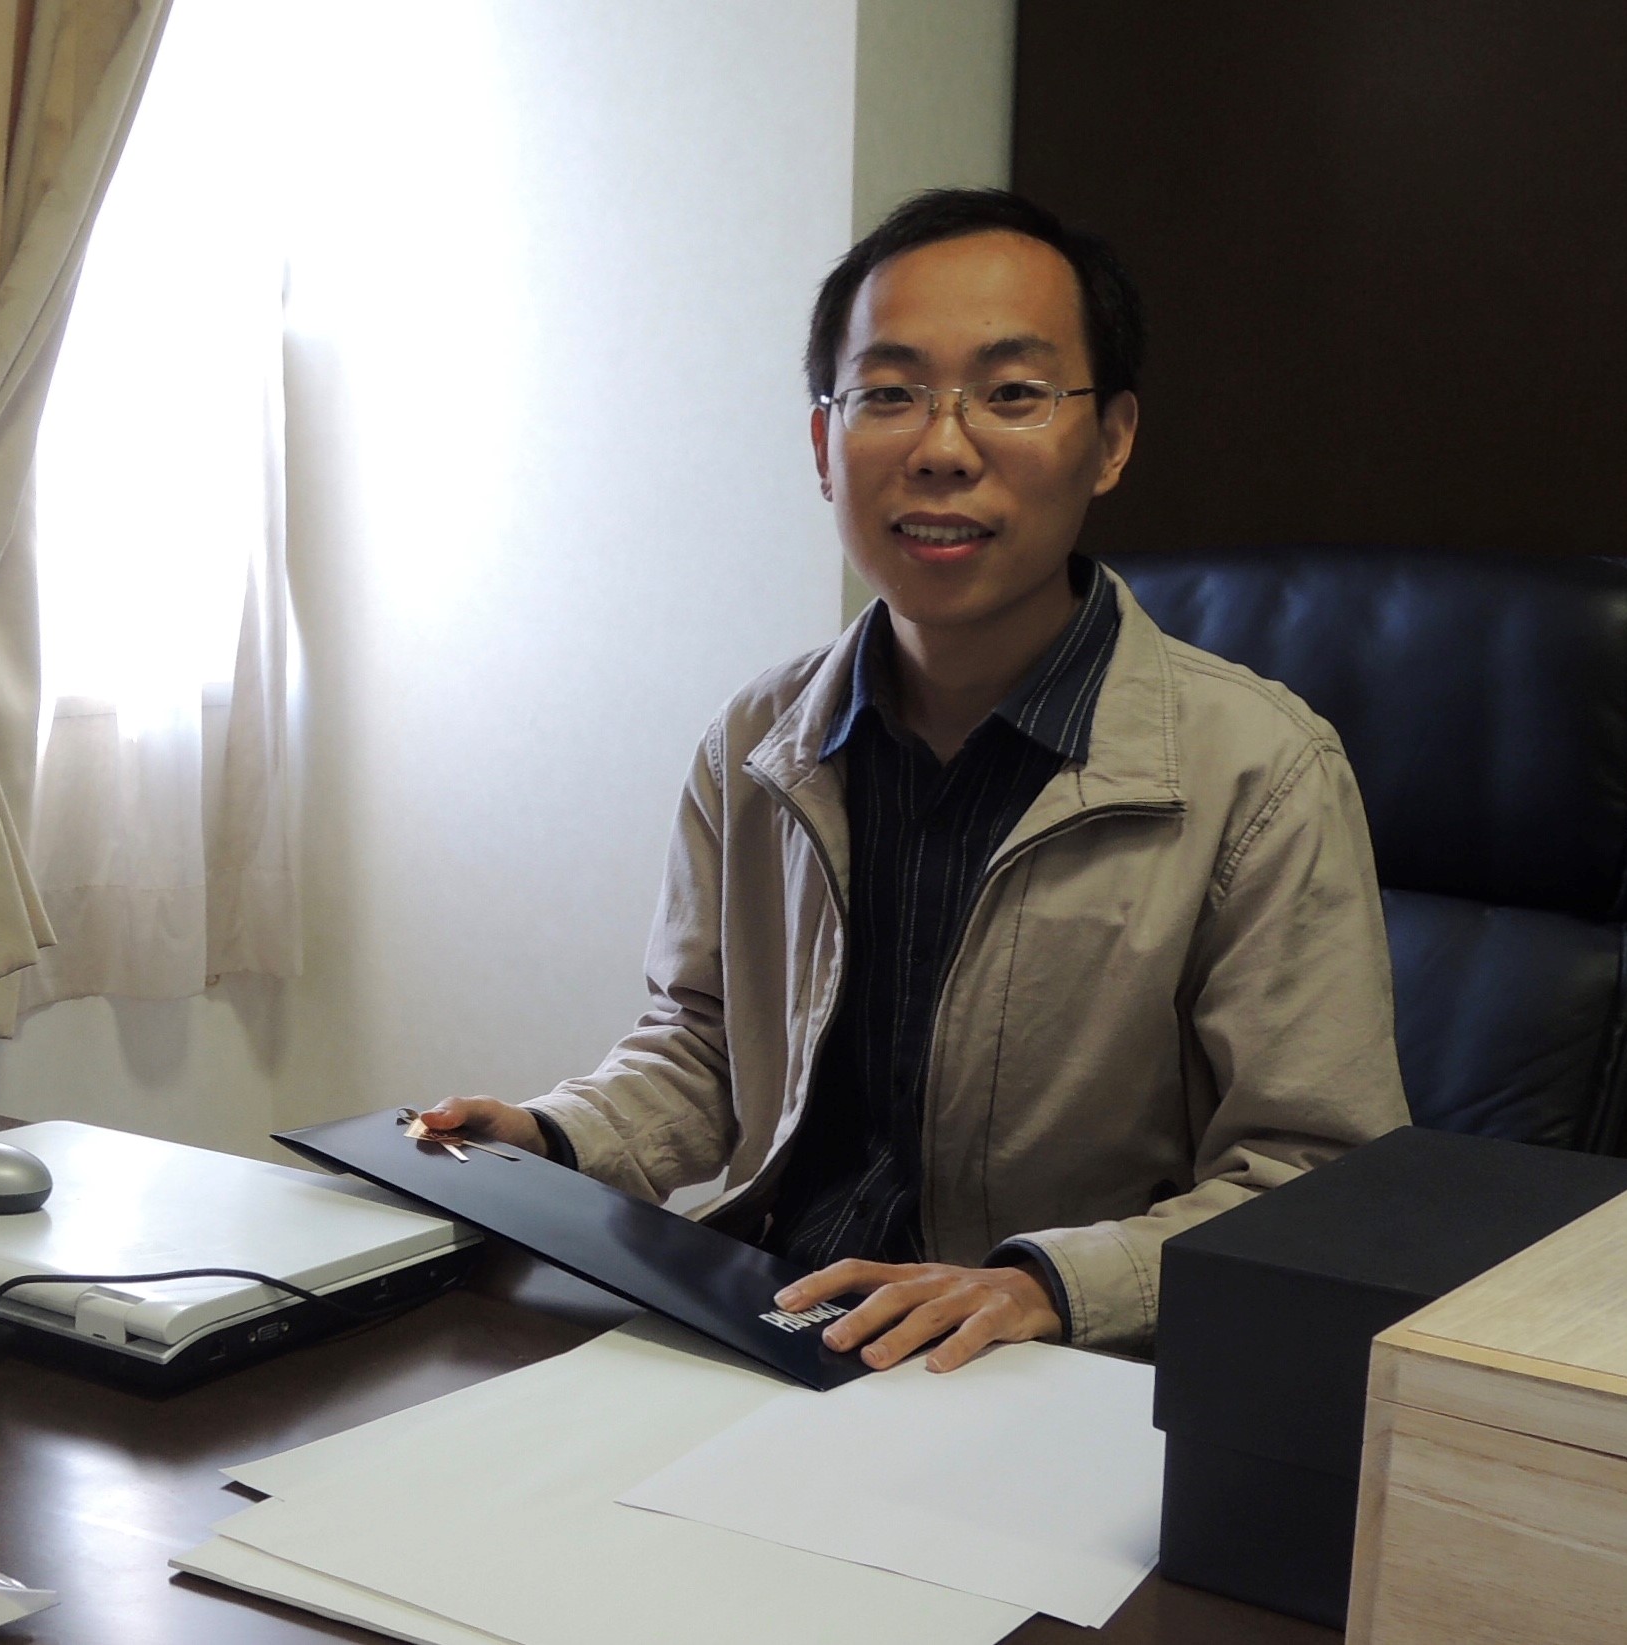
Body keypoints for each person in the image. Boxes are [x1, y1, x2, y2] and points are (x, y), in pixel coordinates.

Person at [421, 188, 1408, 1371]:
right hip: (773, 1323)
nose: (941, 448)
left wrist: (1042, 1287)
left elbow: (1315, 1177)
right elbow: (707, 1049)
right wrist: (549, 1137)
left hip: (1055, 1378)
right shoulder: (759, 739)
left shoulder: (1260, 771)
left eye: (1012, 393)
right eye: (888, 394)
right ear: (822, 447)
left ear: (1111, 440)